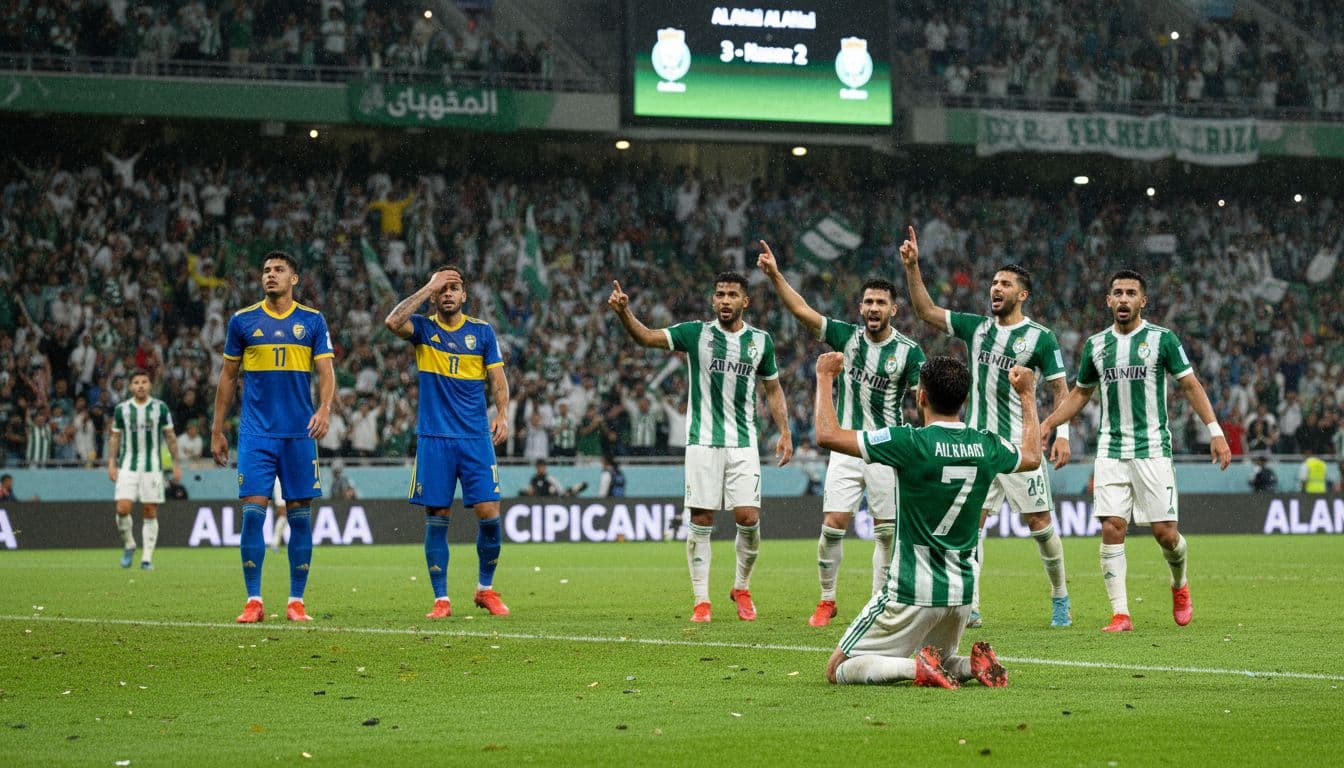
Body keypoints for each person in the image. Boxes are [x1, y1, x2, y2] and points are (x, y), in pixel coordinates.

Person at [818, 353, 1042, 688]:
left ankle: (915, 670)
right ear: (965, 400)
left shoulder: (909, 442)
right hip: (962, 594)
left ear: (921, 395)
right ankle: (970, 665)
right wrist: (1027, 395)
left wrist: (824, 377)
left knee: (837, 668)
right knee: (943, 657)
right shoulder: (986, 444)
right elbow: (1033, 456)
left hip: (912, 590)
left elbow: (827, 435)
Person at [901, 226, 1074, 629]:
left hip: (1018, 445)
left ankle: (1060, 595)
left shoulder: (1040, 338)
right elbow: (926, 310)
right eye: (994, 282)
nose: (996, 288)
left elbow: (1060, 388)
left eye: (1005, 284)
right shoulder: (976, 328)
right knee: (972, 525)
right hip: (978, 444)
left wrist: (1061, 434)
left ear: (1022, 295)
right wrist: (913, 268)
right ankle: (972, 603)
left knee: (1040, 525)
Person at [1041, 269, 1231, 632]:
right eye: (1118, 292)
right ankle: (1121, 613)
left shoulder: (1163, 340)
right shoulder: (1096, 345)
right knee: (1112, 527)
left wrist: (1215, 432)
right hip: (1110, 449)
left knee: (1166, 534)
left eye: (1131, 293)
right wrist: (1051, 423)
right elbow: (1080, 392)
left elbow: (1190, 385)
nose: (1124, 299)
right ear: (1108, 300)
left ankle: (1179, 584)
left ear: (1143, 301)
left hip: (1153, 449)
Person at [609, 272, 793, 622]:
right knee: (701, 518)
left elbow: (772, 389)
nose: (725, 300)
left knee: (749, 518)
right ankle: (702, 600)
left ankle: (741, 587)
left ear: (745, 302)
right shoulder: (696, 333)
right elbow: (647, 338)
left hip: (743, 442)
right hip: (702, 441)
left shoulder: (760, 341)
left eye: (732, 295)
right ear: (713, 300)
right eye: (720, 294)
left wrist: (784, 431)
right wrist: (623, 314)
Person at [758, 240, 924, 627]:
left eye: (881, 303)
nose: (873, 309)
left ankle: (880, 601)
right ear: (860, 307)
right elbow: (802, 312)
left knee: (886, 532)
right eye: (868, 302)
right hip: (846, 446)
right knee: (833, 525)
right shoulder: (846, 337)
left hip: (887, 449)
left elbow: (925, 401)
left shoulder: (909, 352)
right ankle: (827, 599)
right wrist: (776, 276)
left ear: (893, 310)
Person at [212, 251, 335, 623]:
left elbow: (327, 372)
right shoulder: (243, 321)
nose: (271, 275)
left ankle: (296, 601)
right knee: (252, 515)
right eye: (266, 270)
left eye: (279, 270)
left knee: (299, 517)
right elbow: (228, 377)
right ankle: (254, 600)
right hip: (256, 434)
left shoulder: (312, 321)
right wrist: (217, 429)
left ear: (293, 279)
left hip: (299, 434)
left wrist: (325, 408)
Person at [385, 266, 512, 619]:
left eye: (453, 287)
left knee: (490, 514)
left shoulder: (482, 333)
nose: (447, 293)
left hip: (475, 438)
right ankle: (441, 599)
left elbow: (498, 378)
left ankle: (485, 590)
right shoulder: (424, 330)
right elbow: (393, 322)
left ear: (464, 295)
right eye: (442, 289)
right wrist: (427, 287)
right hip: (435, 438)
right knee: (437, 516)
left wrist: (502, 414)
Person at [107, 369, 181, 571]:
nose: (140, 385)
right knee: (122, 508)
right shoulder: (122, 409)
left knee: (150, 510)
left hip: (152, 467)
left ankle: (147, 558)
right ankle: (130, 544)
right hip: (127, 466)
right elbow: (115, 437)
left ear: (149, 385)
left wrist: (175, 463)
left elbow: (170, 437)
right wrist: (111, 463)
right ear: (131, 386)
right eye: (136, 382)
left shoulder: (160, 408)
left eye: (144, 381)